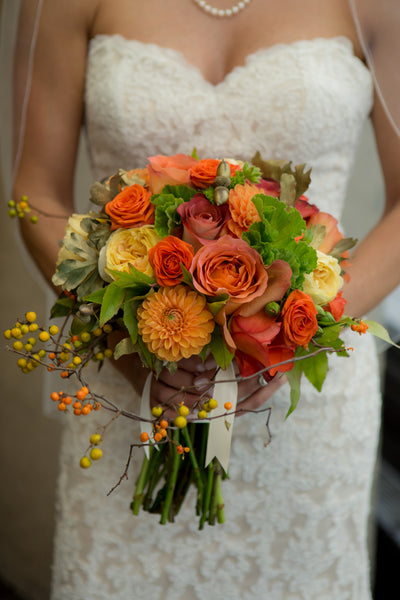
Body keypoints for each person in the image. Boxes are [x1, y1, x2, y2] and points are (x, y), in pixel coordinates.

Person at [9, 0, 400, 598]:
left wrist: (292, 334)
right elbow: (35, 195)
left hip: (299, 411)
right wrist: (128, 349)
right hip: (132, 391)